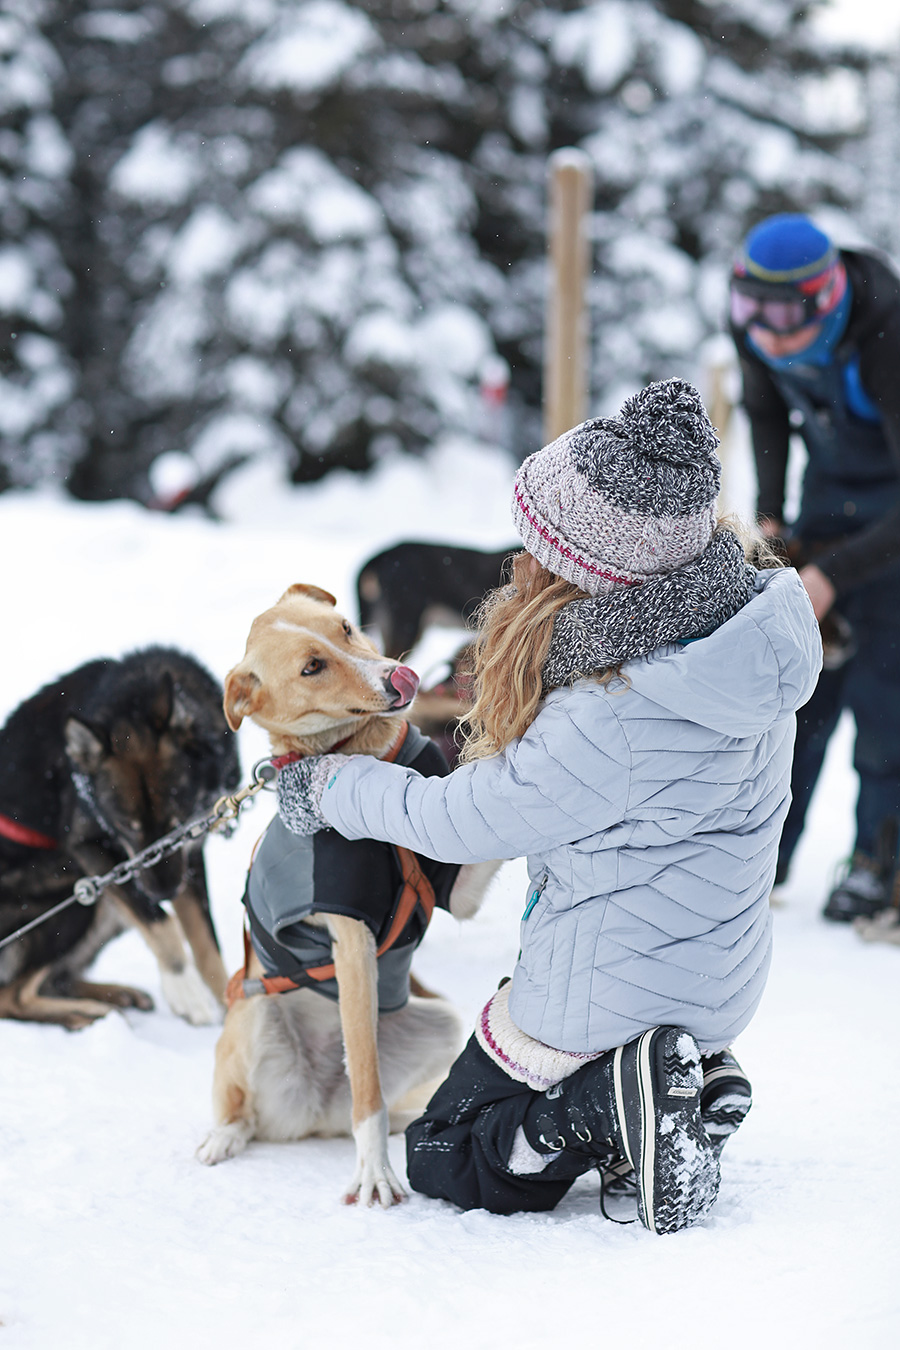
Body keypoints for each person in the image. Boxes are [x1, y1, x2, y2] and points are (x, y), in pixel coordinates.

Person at [275, 379, 821, 1234]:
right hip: (719, 982)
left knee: (448, 1153)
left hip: (612, 995)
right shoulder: (744, 645)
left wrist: (334, 787)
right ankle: (688, 1081)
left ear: (592, 570)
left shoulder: (614, 707)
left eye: (539, 547)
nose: (521, 564)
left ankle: (602, 1104)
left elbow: (464, 819)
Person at [730, 213, 900, 921]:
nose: (769, 333)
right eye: (753, 314)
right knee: (799, 701)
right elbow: (766, 416)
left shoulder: (888, 337)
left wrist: (835, 575)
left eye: (786, 317)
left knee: (885, 701)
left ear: (825, 300)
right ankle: (766, 855)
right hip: (827, 505)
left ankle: (878, 863)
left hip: (893, 514)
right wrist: (773, 523)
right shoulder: (755, 326)